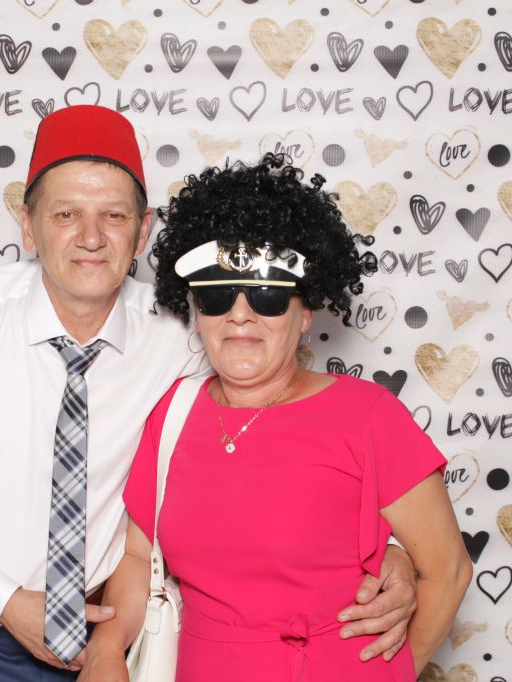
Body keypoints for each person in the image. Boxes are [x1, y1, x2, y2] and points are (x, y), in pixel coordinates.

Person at [0, 107, 418, 681]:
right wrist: (3, 601)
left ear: (142, 231)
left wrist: (389, 549)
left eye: (113, 216)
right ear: (28, 225)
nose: (91, 237)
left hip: (122, 636)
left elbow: (270, 428)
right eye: (66, 214)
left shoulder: (185, 327)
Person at [79, 154, 472, 682]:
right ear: (196, 310)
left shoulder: (369, 415)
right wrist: (106, 649)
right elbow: (136, 557)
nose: (240, 313)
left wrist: (392, 674)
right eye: (217, 294)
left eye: (267, 294)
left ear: (305, 313)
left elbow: (449, 571)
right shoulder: (172, 412)